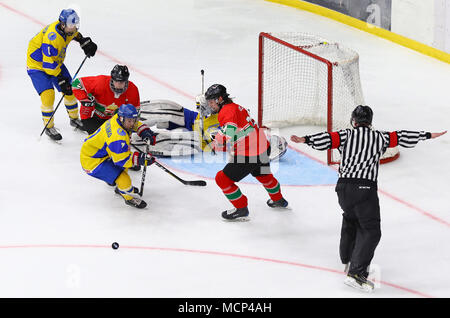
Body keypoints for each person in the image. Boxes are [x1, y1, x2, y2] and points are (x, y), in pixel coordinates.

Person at [290, 105, 447, 292]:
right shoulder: (380, 137)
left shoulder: (345, 135)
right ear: (370, 122)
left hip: (343, 188)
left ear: (353, 121)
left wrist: (304, 139)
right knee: (371, 230)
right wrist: (428, 135)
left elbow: (326, 138)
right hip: (364, 189)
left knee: (351, 217)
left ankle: (347, 258)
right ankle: (356, 273)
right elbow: (403, 136)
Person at [204, 84, 288, 221]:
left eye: (212, 101)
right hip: (263, 147)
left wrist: (217, 140)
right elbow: (238, 130)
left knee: (222, 179)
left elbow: (229, 132)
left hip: (250, 154)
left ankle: (241, 208)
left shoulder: (226, 112)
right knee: (264, 176)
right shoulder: (235, 107)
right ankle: (278, 200)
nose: (210, 105)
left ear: (220, 99)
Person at [136, 96, 288, 160]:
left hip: (200, 141)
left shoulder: (247, 148)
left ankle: (138, 140)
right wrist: (205, 105)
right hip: (198, 122)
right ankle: (133, 116)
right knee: (172, 108)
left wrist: (218, 135)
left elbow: (223, 140)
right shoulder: (237, 117)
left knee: (183, 143)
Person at [27, 8, 97, 140]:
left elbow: (75, 35)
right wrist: (60, 79)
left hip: (55, 62)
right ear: (63, 24)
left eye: (75, 24)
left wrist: (83, 41)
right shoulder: (52, 38)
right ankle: (49, 127)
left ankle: (74, 119)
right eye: (72, 25)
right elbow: (48, 65)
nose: (74, 28)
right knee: (48, 95)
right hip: (38, 66)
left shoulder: (68, 29)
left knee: (70, 91)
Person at [80, 104, 157, 209]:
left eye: (134, 120)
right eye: (129, 121)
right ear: (122, 118)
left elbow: (132, 123)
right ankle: (129, 197)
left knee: (122, 165)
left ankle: (118, 185)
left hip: (96, 152)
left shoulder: (118, 118)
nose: (132, 123)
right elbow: (122, 160)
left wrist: (144, 131)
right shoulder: (117, 137)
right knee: (123, 178)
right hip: (92, 162)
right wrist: (140, 159)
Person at [72, 64, 140, 135]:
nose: (119, 84)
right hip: (93, 116)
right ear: (112, 79)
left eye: (122, 82)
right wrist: (85, 100)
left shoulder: (133, 89)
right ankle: (86, 124)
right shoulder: (100, 82)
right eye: (116, 81)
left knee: (117, 135)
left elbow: (135, 113)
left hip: (116, 119)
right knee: (101, 136)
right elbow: (76, 83)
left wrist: (130, 131)